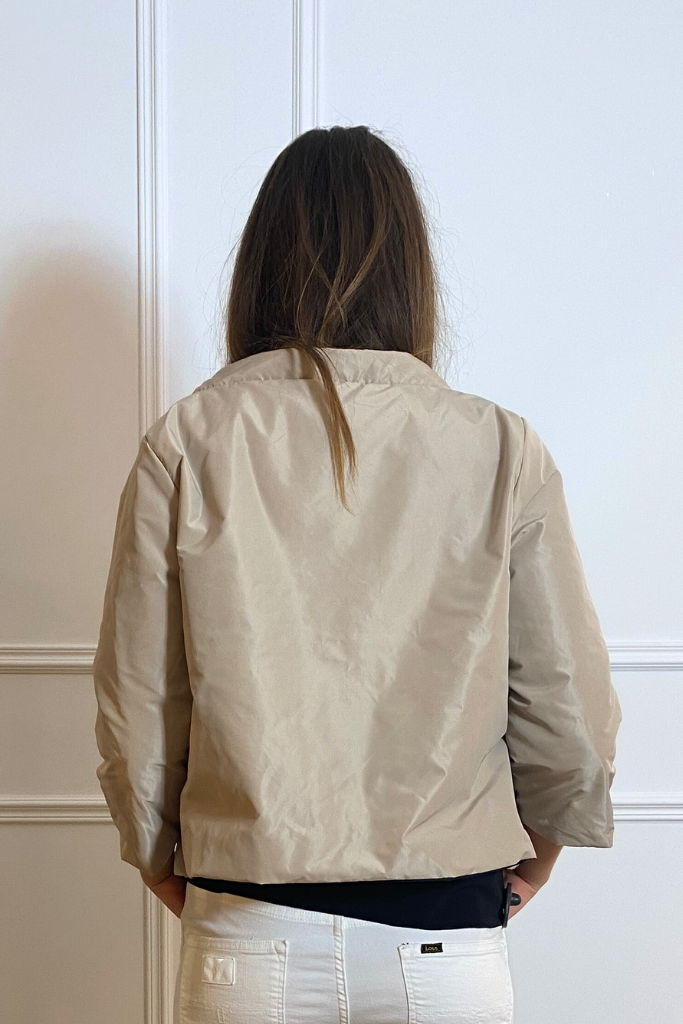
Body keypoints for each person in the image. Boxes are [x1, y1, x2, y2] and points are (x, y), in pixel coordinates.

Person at [92, 125, 622, 1024]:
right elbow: (564, 702)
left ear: (259, 268)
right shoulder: (497, 447)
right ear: (412, 272)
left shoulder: (187, 441)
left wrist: (160, 860)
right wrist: (537, 858)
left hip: (246, 928)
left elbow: (140, 699)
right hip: (446, 932)